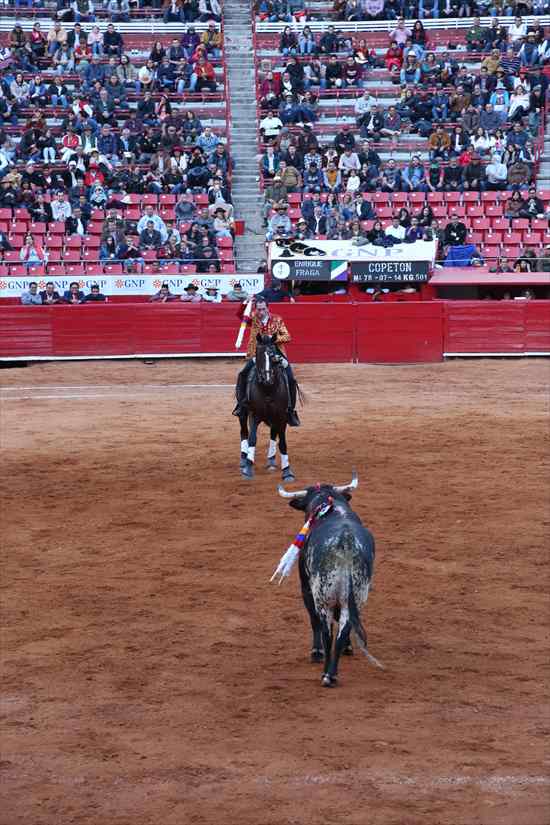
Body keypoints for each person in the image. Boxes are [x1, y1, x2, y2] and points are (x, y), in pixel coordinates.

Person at [232, 297, 300, 426]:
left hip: (276, 354)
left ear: (268, 308)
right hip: (257, 355)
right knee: (242, 374)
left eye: (263, 309)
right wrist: (245, 302)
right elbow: (240, 315)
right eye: (258, 309)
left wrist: (272, 339)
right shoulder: (253, 318)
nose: (261, 312)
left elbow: (287, 336)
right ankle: (241, 405)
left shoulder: (277, 319)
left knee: (291, 379)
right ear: (255, 309)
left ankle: (290, 411)